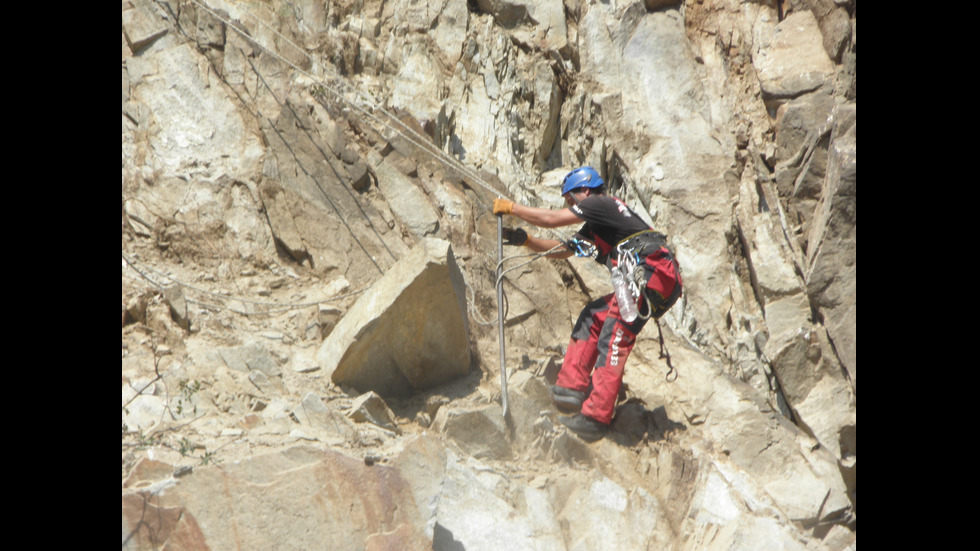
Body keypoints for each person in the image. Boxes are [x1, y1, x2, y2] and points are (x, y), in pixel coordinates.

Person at [492, 166, 682, 440]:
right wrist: (528, 240)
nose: (571, 206)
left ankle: (595, 417)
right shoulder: (598, 227)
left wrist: (512, 207)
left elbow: (549, 219)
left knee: (615, 334)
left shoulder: (600, 203)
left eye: (571, 199)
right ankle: (570, 390)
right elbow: (564, 251)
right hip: (650, 276)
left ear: (586, 189)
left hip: (651, 271)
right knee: (594, 315)